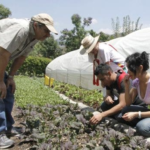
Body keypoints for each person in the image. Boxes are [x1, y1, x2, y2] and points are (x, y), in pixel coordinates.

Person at [0, 13, 58, 148]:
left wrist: (11, 77)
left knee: (8, 91)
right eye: (46, 31)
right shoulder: (21, 30)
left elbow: (21, 57)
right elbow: (3, 54)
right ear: (36, 25)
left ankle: (8, 127)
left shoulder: (35, 37)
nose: (48, 35)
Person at [121, 51, 150, 137]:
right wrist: (127, 86)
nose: (128, 72)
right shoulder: (137, 82)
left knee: (142, 127)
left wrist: (137, 114)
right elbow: (128, 103)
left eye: (129, 69)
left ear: (140, 68)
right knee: (125, 110)